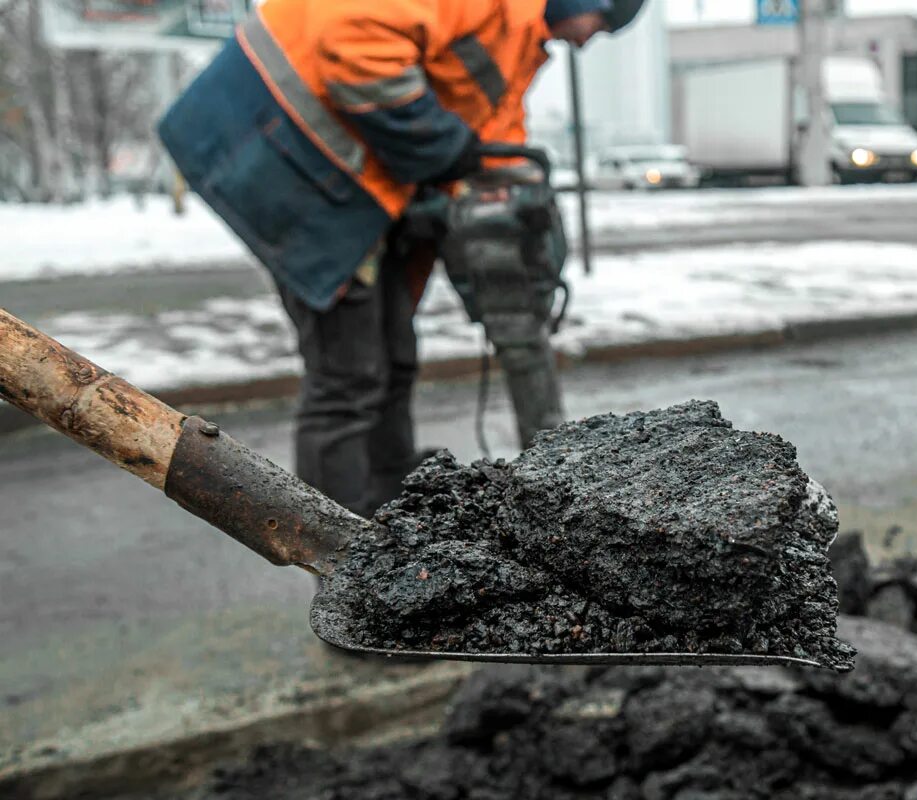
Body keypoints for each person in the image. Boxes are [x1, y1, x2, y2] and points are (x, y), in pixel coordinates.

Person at [159, 0, 645, 517]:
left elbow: (493, 133)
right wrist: (446, 147)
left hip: (348, 180)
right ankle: (338, 549)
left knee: (394, 358)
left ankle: (391, 517)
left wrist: (505, 183)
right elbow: (357, 47)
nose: (591, 39)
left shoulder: (519, 37)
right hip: (274, 143)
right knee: (347, 375)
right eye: (603, 23)